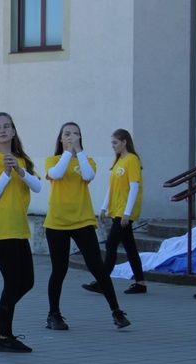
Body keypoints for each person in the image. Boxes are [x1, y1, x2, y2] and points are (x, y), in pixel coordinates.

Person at [43, 122, 131, 330]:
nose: (72, 137)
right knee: (59, 269)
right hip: (57, 222)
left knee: (97, 267)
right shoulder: (53, 160)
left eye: (76, 134)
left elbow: (88, 175)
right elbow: (56, 174)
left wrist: (78, 151)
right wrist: (68, 152)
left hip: (82, 221)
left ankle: (116, 311)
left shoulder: (87, 160)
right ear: (61, 138)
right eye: (67, 134)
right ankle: (53, 315)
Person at [0, 112, 42, 353]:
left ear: (13, 131)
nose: (2, 130)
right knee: (13, 282)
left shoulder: (21, 160)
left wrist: (20, 171)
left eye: (6, 126)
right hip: (2, 230)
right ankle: (4, 336)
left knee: (27, 282)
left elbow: (37, 187)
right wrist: (5, 174)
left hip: (19, 229)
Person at [83, 129, 146, 295]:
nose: (113, 146)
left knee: (111, 244)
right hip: (117, 208)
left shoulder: (132, 160)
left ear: (125, 142)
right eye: (112, 143)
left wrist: (127, 212)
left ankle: (102, 282)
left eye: (115, 143)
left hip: (124, 210)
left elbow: (134, 186)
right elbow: (112, 187)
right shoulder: (118, 160)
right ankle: (140, 282)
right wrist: (104, 207)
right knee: (130, 247)